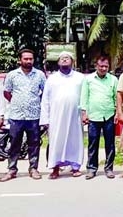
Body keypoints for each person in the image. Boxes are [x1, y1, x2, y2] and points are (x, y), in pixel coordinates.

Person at [0, 49, 47, 182]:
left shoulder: (40, 75)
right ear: (20, 60)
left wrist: (36, 102)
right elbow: (7, 92)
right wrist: (17, 102)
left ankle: (33, 168)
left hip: (34, 115)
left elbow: (45, 92)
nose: (28, 61)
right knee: (14, 143)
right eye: (25, 59)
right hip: (16, 115)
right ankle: (12, 169)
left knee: (34, 143)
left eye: (30, 59)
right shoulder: (12, 75)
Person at [41, 51, 85, 179]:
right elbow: (45, 99)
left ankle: (75, 167)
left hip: (74, 116)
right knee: (56, 141)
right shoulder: (52, 79)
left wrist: (84, 114)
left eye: (67, 58)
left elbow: (85, 97)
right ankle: (55, 168)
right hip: (56, 117)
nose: (65, 60)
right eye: (62, 58)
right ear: (58, 62)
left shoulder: (80, 78)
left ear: (72, 61)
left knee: (75, 140)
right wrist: (45, 119)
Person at [80, 56, 118, 179]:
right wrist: (84, 113)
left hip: (109, 115)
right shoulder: (88, 79)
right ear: (96, 66)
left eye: (106, 66)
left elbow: (116, 97)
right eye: (101, 66)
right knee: (93, 144)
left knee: (110, 144)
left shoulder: (113, 79)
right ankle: (91, 169)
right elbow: (84, 97)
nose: (103, 68)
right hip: (93, 116)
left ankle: (109, 169)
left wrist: (118, 112)